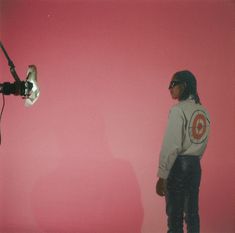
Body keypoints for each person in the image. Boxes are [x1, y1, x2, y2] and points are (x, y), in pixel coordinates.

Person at [156, 70, 210, 233]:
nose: (169, 88)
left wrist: (162, 175)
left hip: (178, 167)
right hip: (195, 166)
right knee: (192, 214)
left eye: (173, 84)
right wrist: (195, 159)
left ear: (184, 85)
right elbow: (202, 141)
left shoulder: (178, 110)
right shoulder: (203, 111)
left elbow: (171, 145)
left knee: (175, 217)